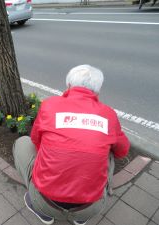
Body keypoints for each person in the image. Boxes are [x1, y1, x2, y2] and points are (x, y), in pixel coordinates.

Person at [13, 65, 130, 225]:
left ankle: (44, 213)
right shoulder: (108, 114)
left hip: (45, 202)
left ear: (68, 85)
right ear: (98, 91)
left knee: (21, 142)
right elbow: (122, 151)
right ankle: (80, 218)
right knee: (110, 151)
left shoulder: (49, 105)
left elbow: (35, 140)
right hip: (91, 207)